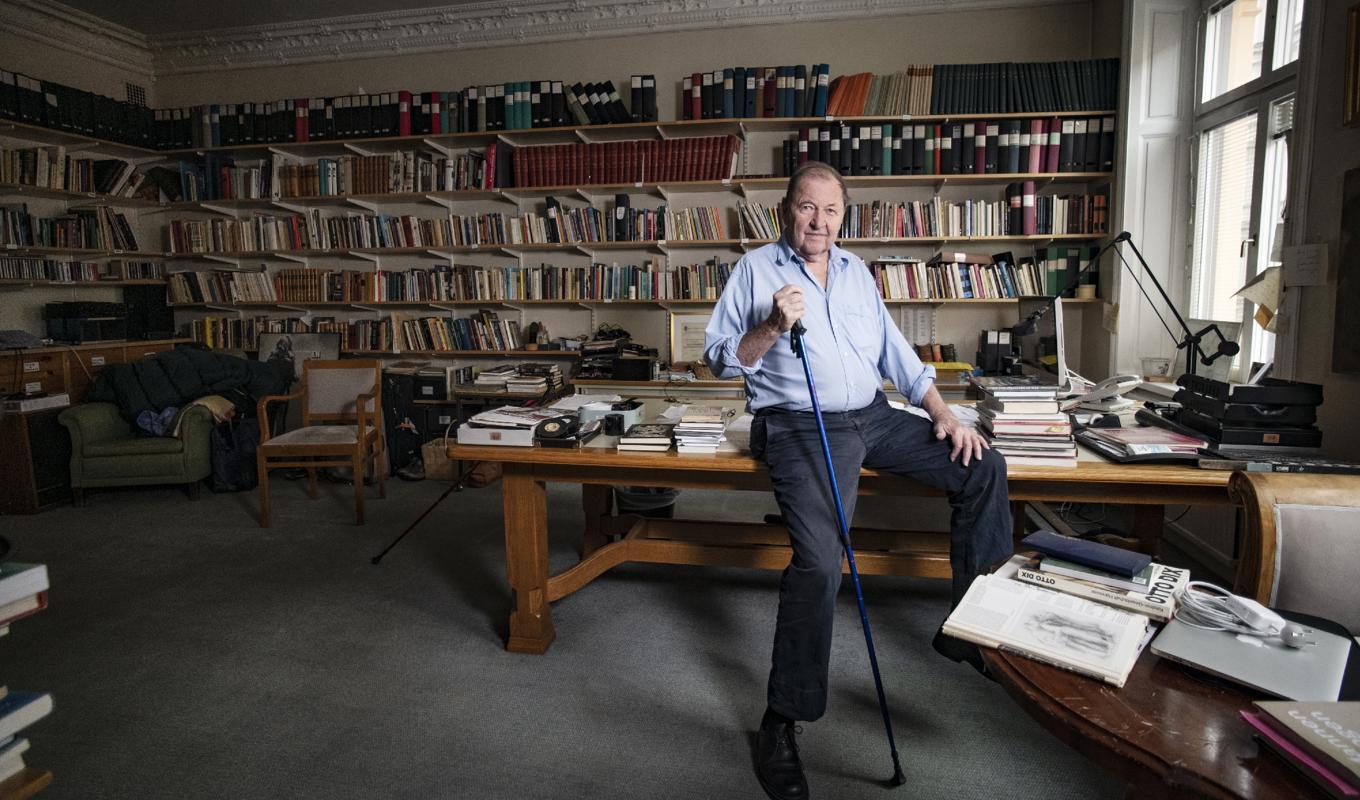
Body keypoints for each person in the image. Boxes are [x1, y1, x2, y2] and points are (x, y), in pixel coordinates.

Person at [703, 161, 1013, 800]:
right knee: (819, 563)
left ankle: (971, 629)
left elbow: (896, 355)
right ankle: (781, 722)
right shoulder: (755, 269)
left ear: (844, 216)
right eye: (807, 208)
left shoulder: (855, 274)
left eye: (831, 210)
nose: (818, 221)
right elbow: (717, 360)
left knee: (981, 464)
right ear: (786, 209)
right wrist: (769, 325)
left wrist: (947, 417)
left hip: (872, 415)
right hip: (798, 422)